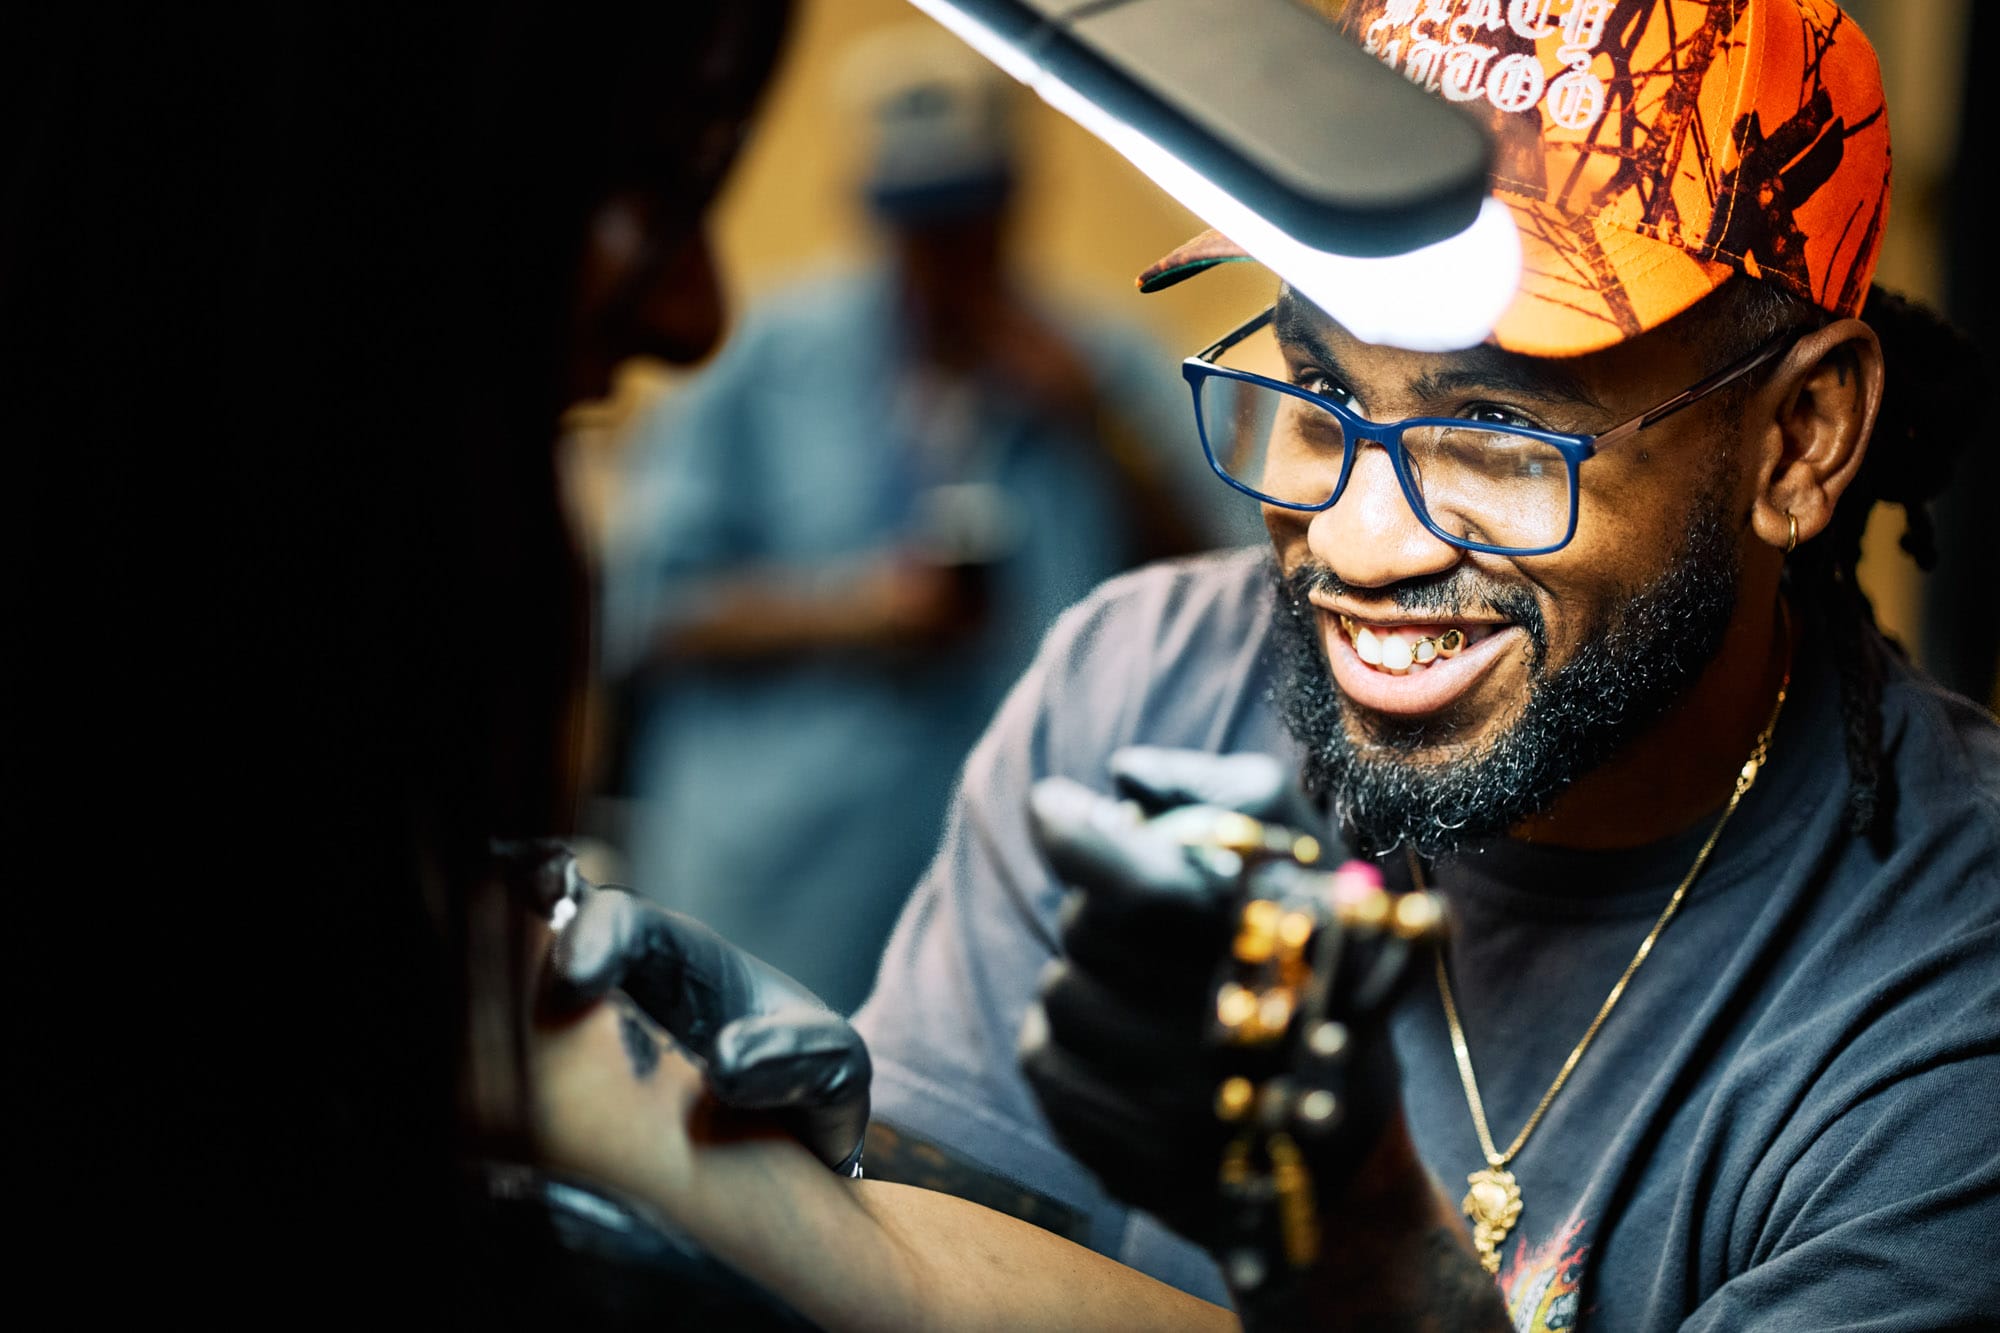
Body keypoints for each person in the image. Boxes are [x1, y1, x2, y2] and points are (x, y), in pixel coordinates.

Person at [849, 0, 2000, 1327]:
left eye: (1503, 430)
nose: (1360, 539)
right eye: (1322, 395)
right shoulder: (1144, 680)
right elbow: (919, 1267)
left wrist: (1366, 1254)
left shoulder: (1947, 991)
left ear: (1799, 438)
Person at [597, 23, 1244, 1012]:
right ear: (869, 209)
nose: (942, 251)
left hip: (1016, 899)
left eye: (967, 214)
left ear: (1014, 201)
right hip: (779, 885)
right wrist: (858, 609)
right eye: (917, 219)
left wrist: (1093, 427)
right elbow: (642, 605)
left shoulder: (1094, 366)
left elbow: (1230, 598)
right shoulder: (757, 360)